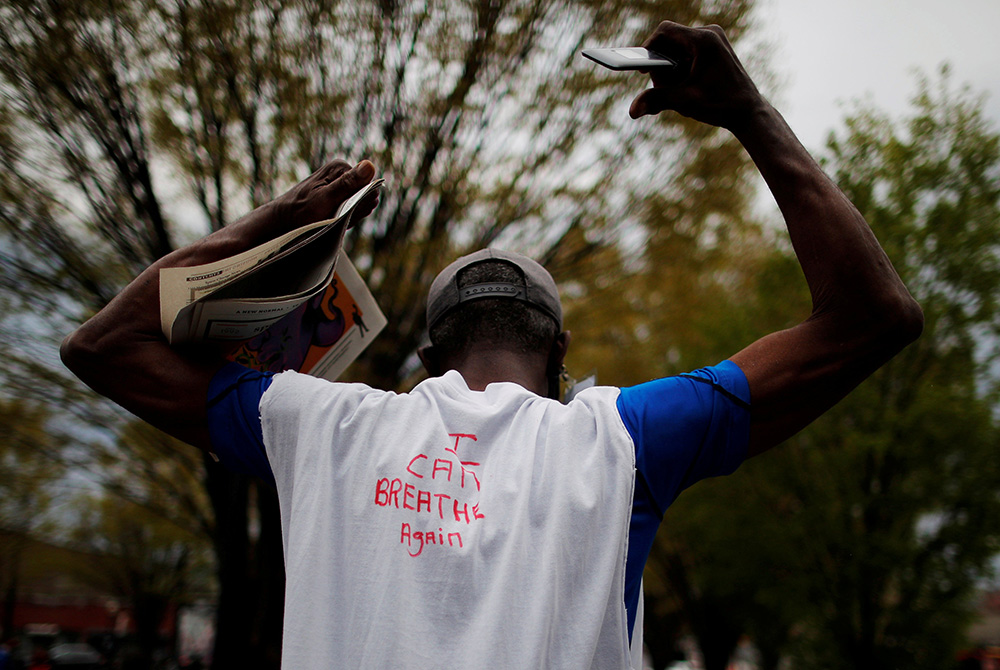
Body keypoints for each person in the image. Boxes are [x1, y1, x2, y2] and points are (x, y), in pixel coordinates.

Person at [60, 20, 922, 670]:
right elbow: (874, 317)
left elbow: (105, 346)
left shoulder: (322, 427)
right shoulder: (623, 441)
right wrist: (750, 114)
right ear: (561, 355)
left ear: (431, 358)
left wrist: (279, 221)